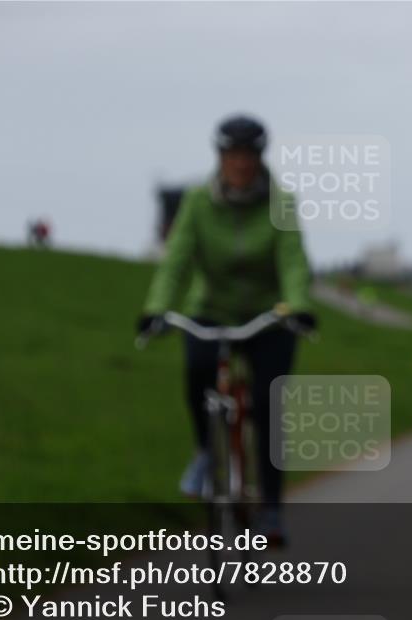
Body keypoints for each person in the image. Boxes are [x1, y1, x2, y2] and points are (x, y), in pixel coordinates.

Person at [137, 115, 316, 542]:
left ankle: (271, 508)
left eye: (249, 156)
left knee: (268, 404)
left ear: (260, 158)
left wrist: (299, 307)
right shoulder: (198, 202)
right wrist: (157, 308)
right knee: (197, 372)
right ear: (220, 158)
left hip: (268, 313)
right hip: (211, 309)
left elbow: (292, 260)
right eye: (233, 155)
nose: (240, 164)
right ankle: (205, 453)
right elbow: (176, 259)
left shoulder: (281, 203)